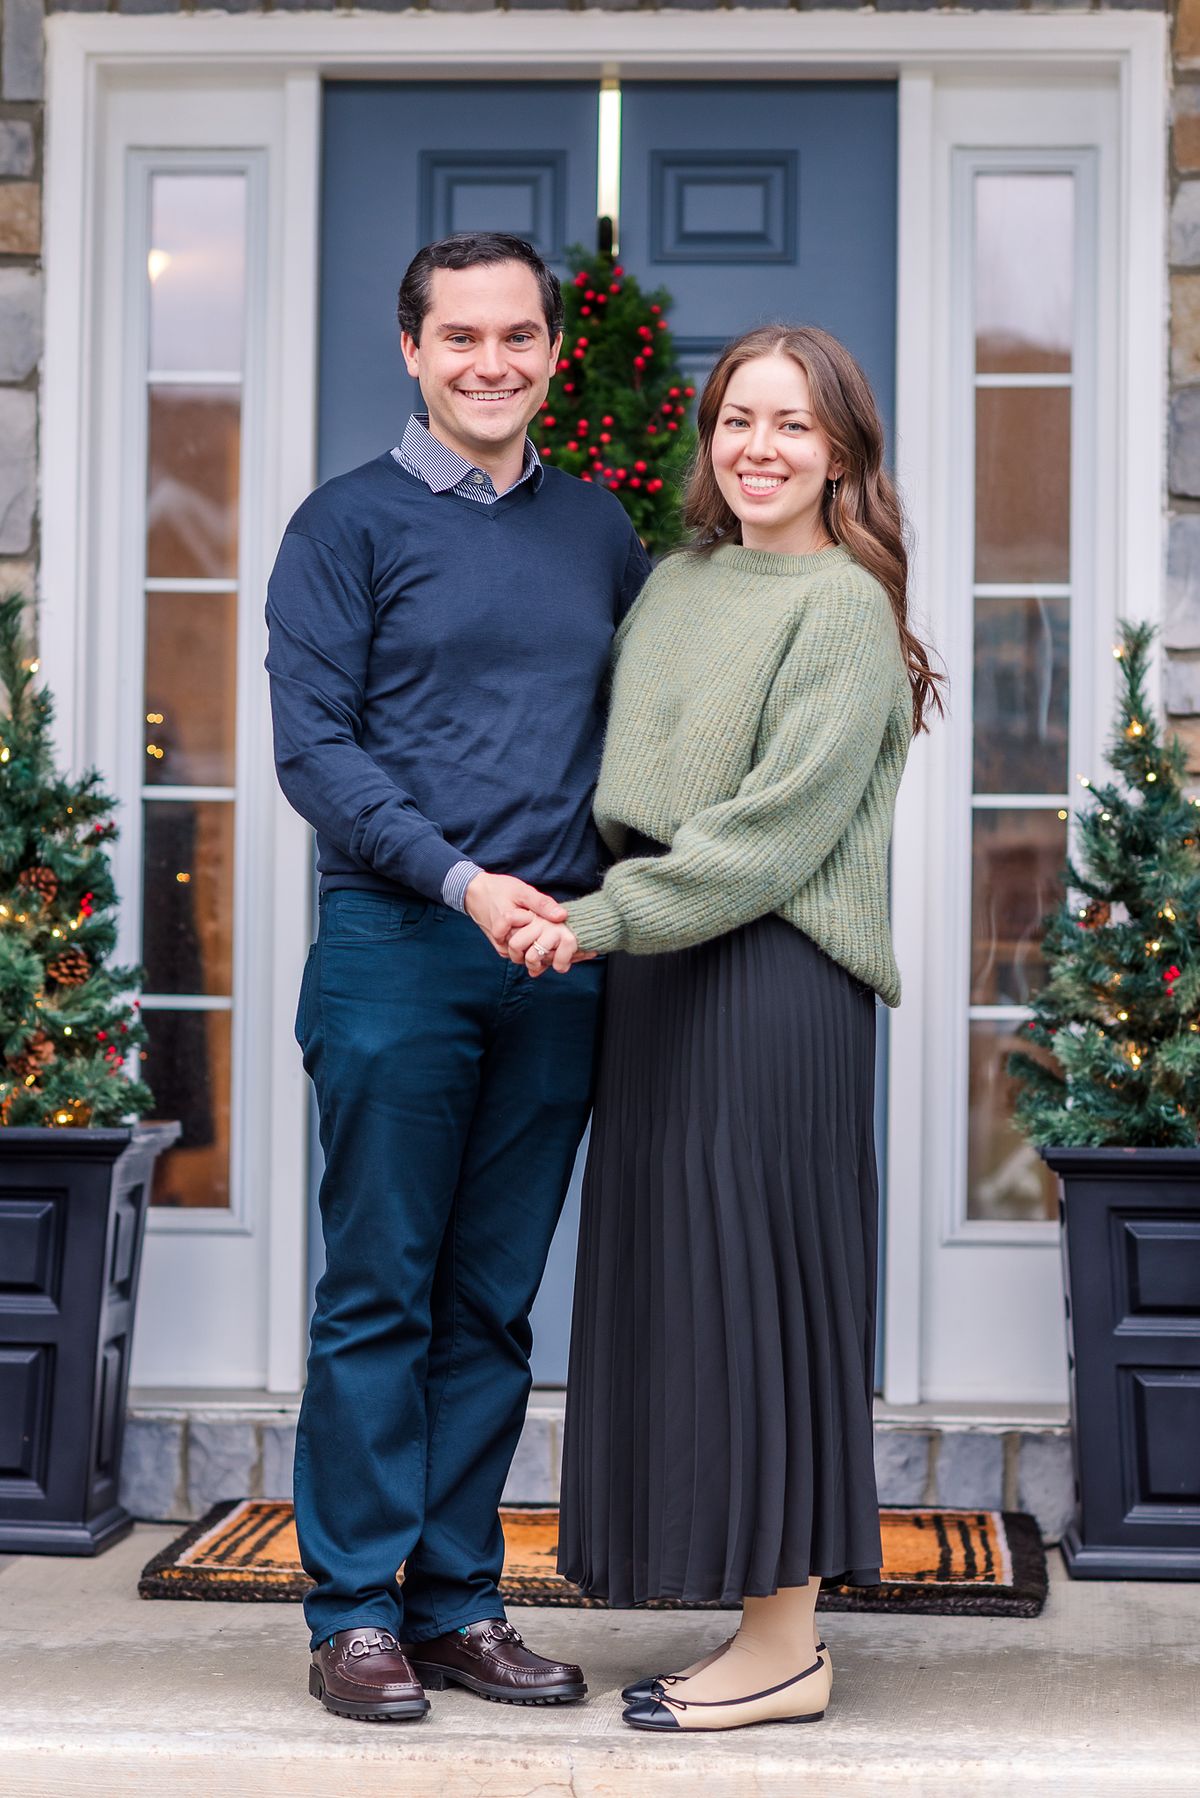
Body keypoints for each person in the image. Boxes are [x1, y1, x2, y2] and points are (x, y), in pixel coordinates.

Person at [507, 324, 944, 1733]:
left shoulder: (844, 607)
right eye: (738, 420)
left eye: (794, 425)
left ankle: (785, 1647)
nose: (761, 447)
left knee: (763, 1295)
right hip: (656, 971)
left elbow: (770, 837)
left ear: (844, 452)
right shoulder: (678, 582)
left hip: (770, 978)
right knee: (676, 1292)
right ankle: (731, 1611)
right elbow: (616, 777)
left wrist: (601, 919)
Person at [265, 231, 649, 1723]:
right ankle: (355, 1614)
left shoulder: (597, 530)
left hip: (556, 961)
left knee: (490, 1304)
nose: (493, 362)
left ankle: (456, 1605)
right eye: (462, 337)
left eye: (518, 336)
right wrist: (460, 880)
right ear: (412, 351)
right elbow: (316, 752)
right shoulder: (344, 527)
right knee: (380, 1289)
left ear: (553, 350)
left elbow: (644, 736)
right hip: (399, 949)